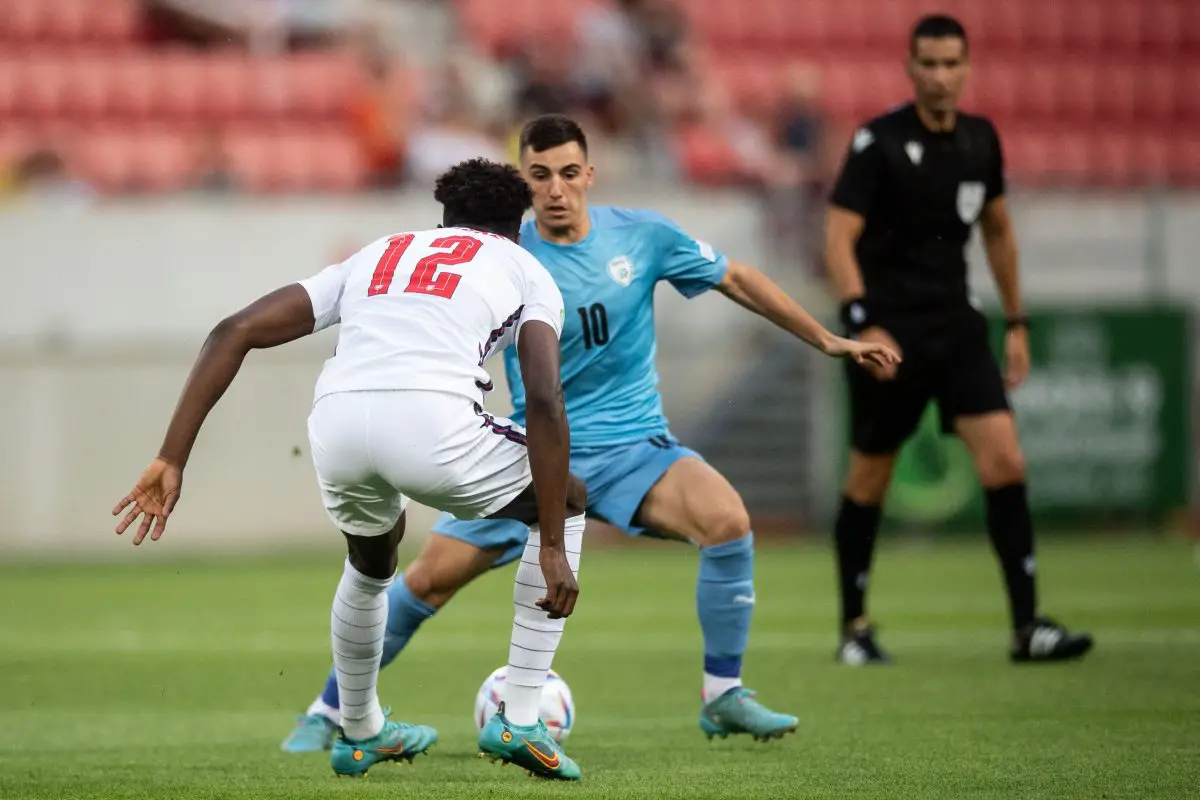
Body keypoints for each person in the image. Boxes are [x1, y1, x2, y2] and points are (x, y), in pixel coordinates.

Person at [281, 113, 899, 754]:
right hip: (536, 456)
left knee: (727, 520)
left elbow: (735, 278)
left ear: (590, 175)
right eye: (539, 176)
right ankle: (329, 708)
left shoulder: (643, 236)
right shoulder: (504, 255)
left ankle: (724, 695)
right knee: (426, 580)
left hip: (634, 447)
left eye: (569, 174)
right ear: (522, 184)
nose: (555, 189)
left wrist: (825, 337)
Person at [112, 158, 588, 780]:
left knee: (371, 563)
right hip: (433, 426)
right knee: (569, 495)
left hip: (337, 424)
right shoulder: (527, 268)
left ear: (443, 218)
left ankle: (359, 730)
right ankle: (521, 717)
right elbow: (546, 397)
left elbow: (235, 330)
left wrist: (171, 456)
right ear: (516, 226)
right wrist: (552, 541)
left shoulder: (379, 254)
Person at [824, 14, 1094, 665]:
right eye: (930, 64)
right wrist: (862, 323)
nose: (941, 76)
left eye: (952, 64)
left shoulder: (980, 141)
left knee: (1006, 463)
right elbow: (837, 239)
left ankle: (1028, 627)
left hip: (959, 328)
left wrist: (1018, 320)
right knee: (868, 481)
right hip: (890, 334)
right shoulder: (878, 142)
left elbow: (998, 231)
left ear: (966, 68)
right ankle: (854, 629)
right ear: (911, 68)